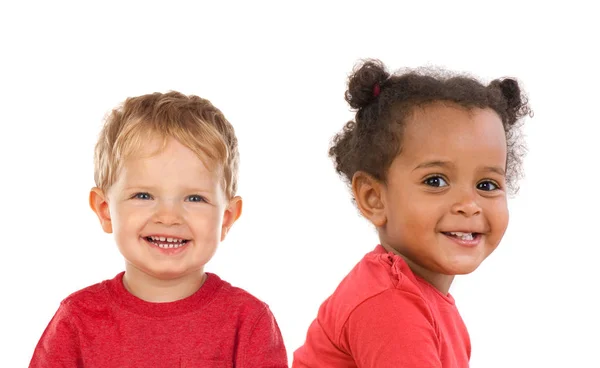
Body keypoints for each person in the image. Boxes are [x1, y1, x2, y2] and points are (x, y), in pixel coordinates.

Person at [293, 59, 532, 367]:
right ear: (374, 198)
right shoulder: (388, 304)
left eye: (487, 184)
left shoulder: (421, 300)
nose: (469, 204)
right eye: (435, 181)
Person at [30, 91, 288, 367]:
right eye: (143, 195)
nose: (168, 216)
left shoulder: (248, 321)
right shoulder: (77, 319)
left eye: (194, 198)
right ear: (105, 210)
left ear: (226, 218)